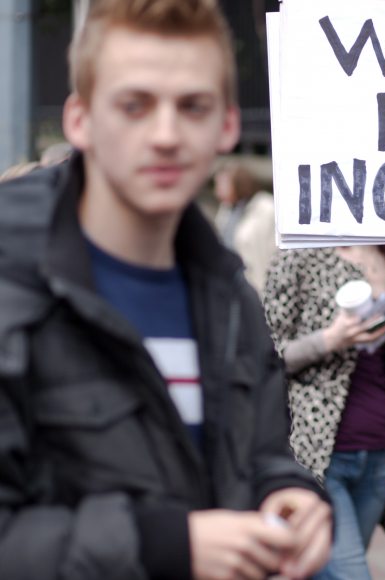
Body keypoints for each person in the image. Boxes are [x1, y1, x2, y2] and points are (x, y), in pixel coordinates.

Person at [0, 1, 332, 578]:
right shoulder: (11, 283)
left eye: (192, 106)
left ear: (227, 124)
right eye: (135, 105)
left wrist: (291, 495)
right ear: (80, 121)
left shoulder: (230, 296)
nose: (166, 135)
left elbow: (260, 457)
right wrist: (163, 544)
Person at [262, 243, 385, 580]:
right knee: (350, 573)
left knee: (327, 568)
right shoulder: (299, 255)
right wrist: (330, 339)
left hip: (380, 450)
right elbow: (264, 357)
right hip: (317, 453)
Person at [213, 160, 277, 295]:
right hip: (230, 284)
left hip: (258, 286)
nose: (217, 190)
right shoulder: (226, 211)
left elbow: (272, 252)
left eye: (222, 184)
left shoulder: (265, 208)